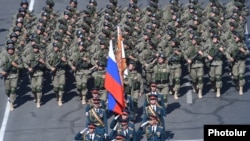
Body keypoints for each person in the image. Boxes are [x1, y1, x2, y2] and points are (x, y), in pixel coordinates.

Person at [0, 45, 23, 111]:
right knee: (7, 91)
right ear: (7, 50)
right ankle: (10, 97)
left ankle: (11, 103)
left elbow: (22, 66)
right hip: (7, 76)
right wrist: (2, 72)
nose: (10, 50)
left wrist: (16, 65)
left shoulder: (16, 58)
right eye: (9, 49)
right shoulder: (5, 58)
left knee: (13, 89)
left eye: (12, 49)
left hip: (14, 76)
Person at [24, 44, 46, 108]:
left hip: (39, 73)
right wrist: (28, 68)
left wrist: (43, 62)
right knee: (33, 89)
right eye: (34, 48)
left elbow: (46, 64)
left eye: (36, 48)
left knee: (38, 88)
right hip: (32, 74)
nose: (35, 49)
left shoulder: (42, 56)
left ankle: (39, 101)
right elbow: (25, 63)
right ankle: (35, 97)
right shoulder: (30, 56)